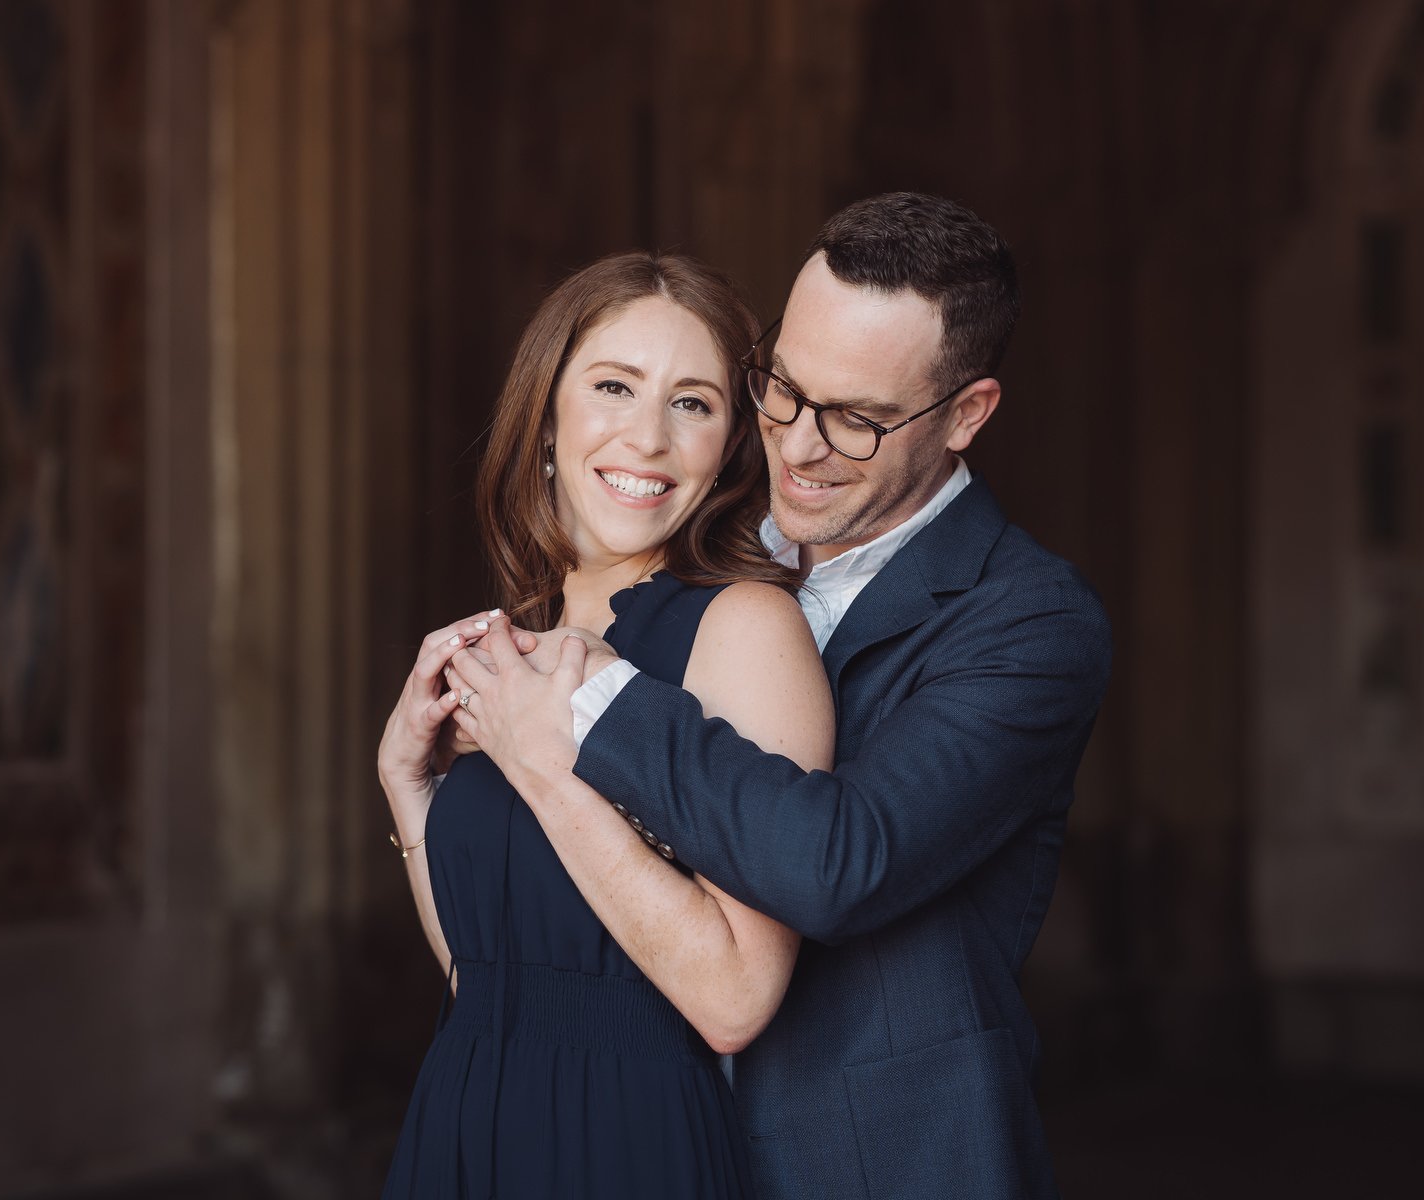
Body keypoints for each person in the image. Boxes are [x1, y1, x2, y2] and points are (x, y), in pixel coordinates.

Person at [449, 193, 1112, 1200]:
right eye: (781, 388)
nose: (796, 447)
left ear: (968, 414)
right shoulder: (679, 547)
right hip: (638, 1141)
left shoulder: (1029, 623)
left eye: (854, 420)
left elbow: (843, 861)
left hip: (867, 1167)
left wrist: (587, 708)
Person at [377, 251, 833, 1199]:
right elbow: (489, 976)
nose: (649, 437)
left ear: (730, 448)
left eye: (693, 403)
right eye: (615, 386)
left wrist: (538, 759)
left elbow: (735, 999)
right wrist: (408, 793)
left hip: (626, 1143)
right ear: (547, 417)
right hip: (465, 1124)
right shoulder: (523, 637)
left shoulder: (743, 626)